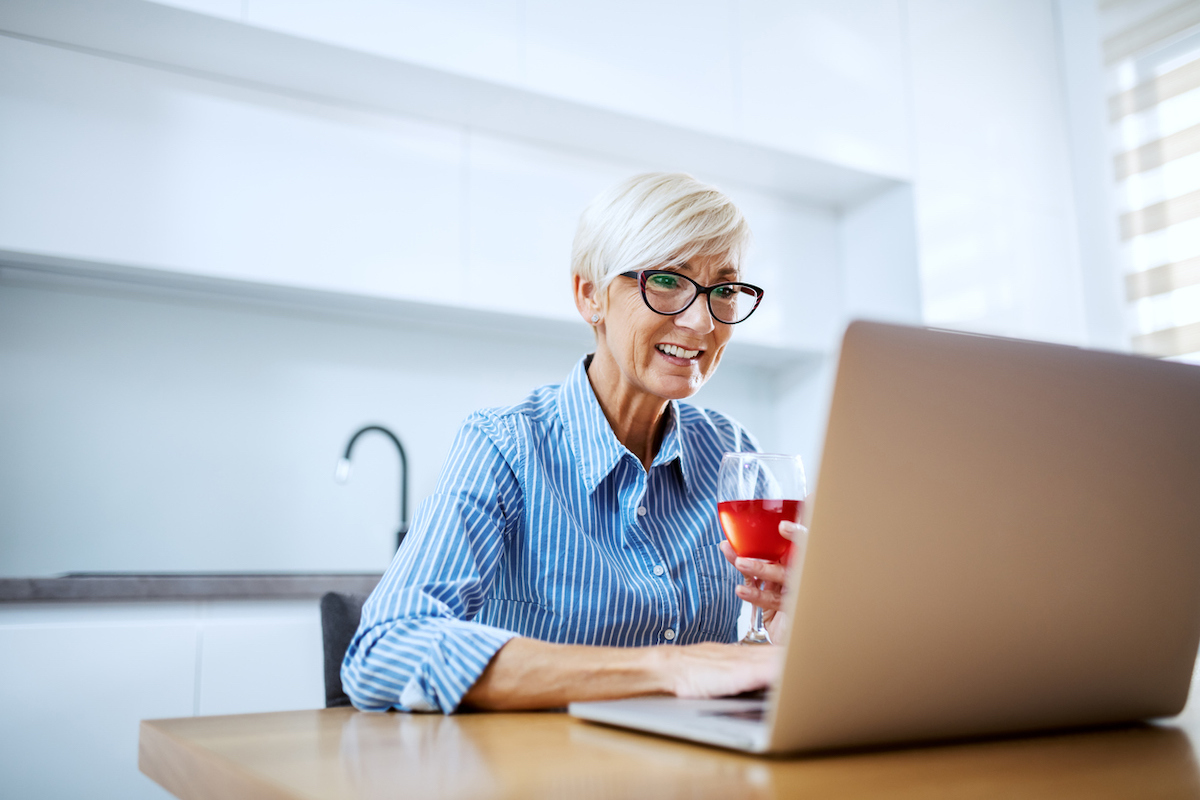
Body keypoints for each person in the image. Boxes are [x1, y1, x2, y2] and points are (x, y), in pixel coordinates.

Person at [342, 172, 800, 713]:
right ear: (591, 296)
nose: (702, 321)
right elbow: (382, 651)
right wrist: (666, 667)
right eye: (668, 281)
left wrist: (793, 630)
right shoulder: (505, 446)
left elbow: (760, 651)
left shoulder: (732, 451)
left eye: (723, 290)